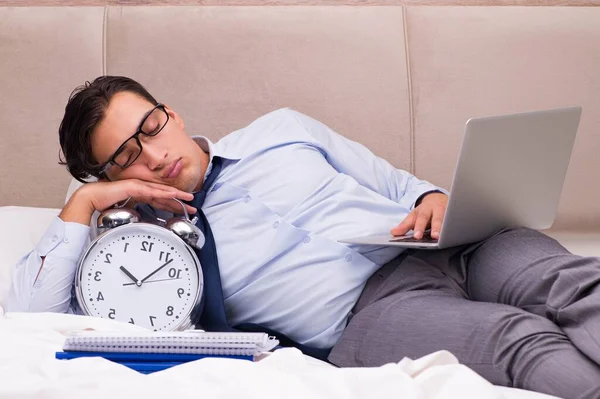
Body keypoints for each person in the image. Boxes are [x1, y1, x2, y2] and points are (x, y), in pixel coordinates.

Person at [5, 76, 600, 398]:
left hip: (452, 244)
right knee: (519, 337)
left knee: (572, 283)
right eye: (128, 157)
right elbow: (28, 318)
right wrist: (83, 202)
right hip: (375, 313)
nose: (155, 156)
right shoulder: (141, 247)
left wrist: (432, 199)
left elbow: (393, 181)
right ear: (111, 176)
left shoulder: (281, 130)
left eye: (153, 128)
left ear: (173, 113)